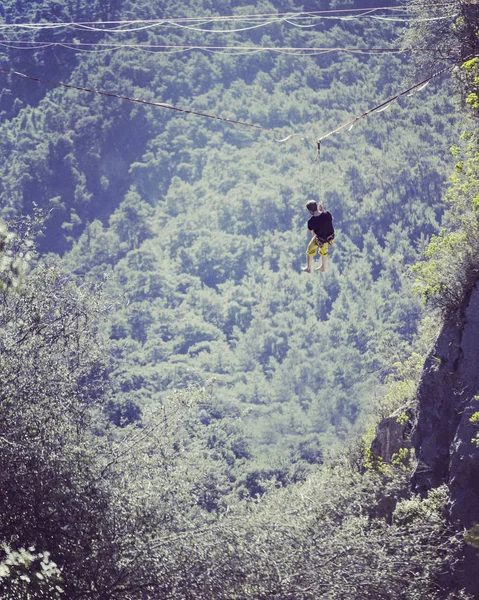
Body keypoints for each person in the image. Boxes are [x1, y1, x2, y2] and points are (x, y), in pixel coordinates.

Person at [302, 200, 334, 273]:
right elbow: (329, 219)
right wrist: (322, 211)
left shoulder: (311, 221)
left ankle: (309, 268)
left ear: (310, 211)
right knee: (324, 251)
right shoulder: (327, 214)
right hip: (330, 238)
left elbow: (312, 232)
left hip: (321, 240)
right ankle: (322, 266)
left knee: (310, 248)